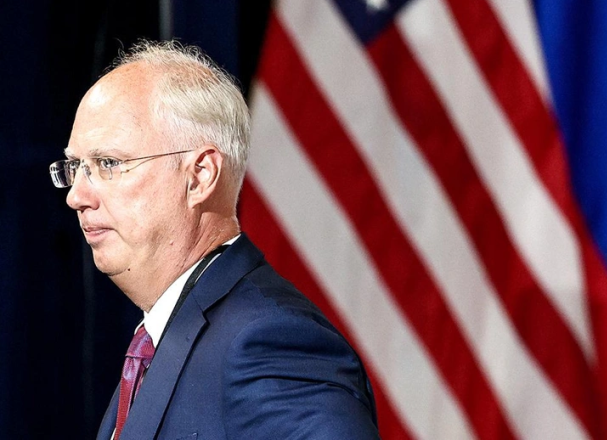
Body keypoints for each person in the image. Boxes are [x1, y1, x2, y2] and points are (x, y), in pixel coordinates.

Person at [49, 40, 380, 439]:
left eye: (108, 163)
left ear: (200, 176)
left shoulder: (269, 343)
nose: (76, 196)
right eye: (75, 166)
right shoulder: (158, 340)